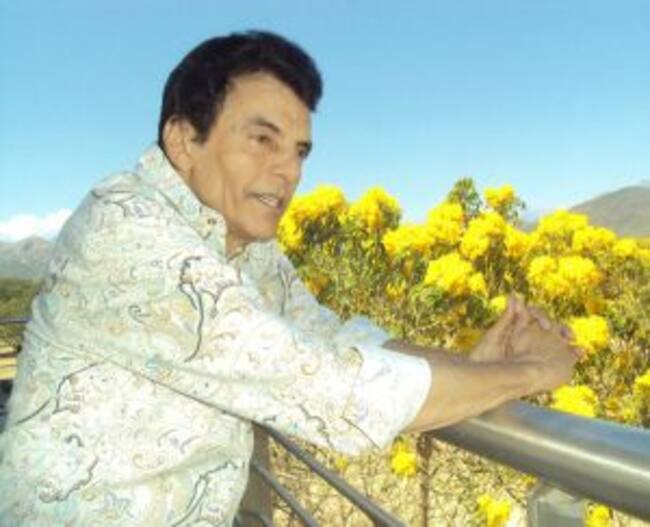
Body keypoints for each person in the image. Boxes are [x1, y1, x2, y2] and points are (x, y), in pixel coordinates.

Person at [0, 31, 579, 526]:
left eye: (300, 150)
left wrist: (472, 366)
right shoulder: (129, 235)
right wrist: (533, 371)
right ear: (184, 140)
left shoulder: (241, 242)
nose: (289, 170)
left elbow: (328, 336)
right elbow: (334, 391)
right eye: (262, 140)